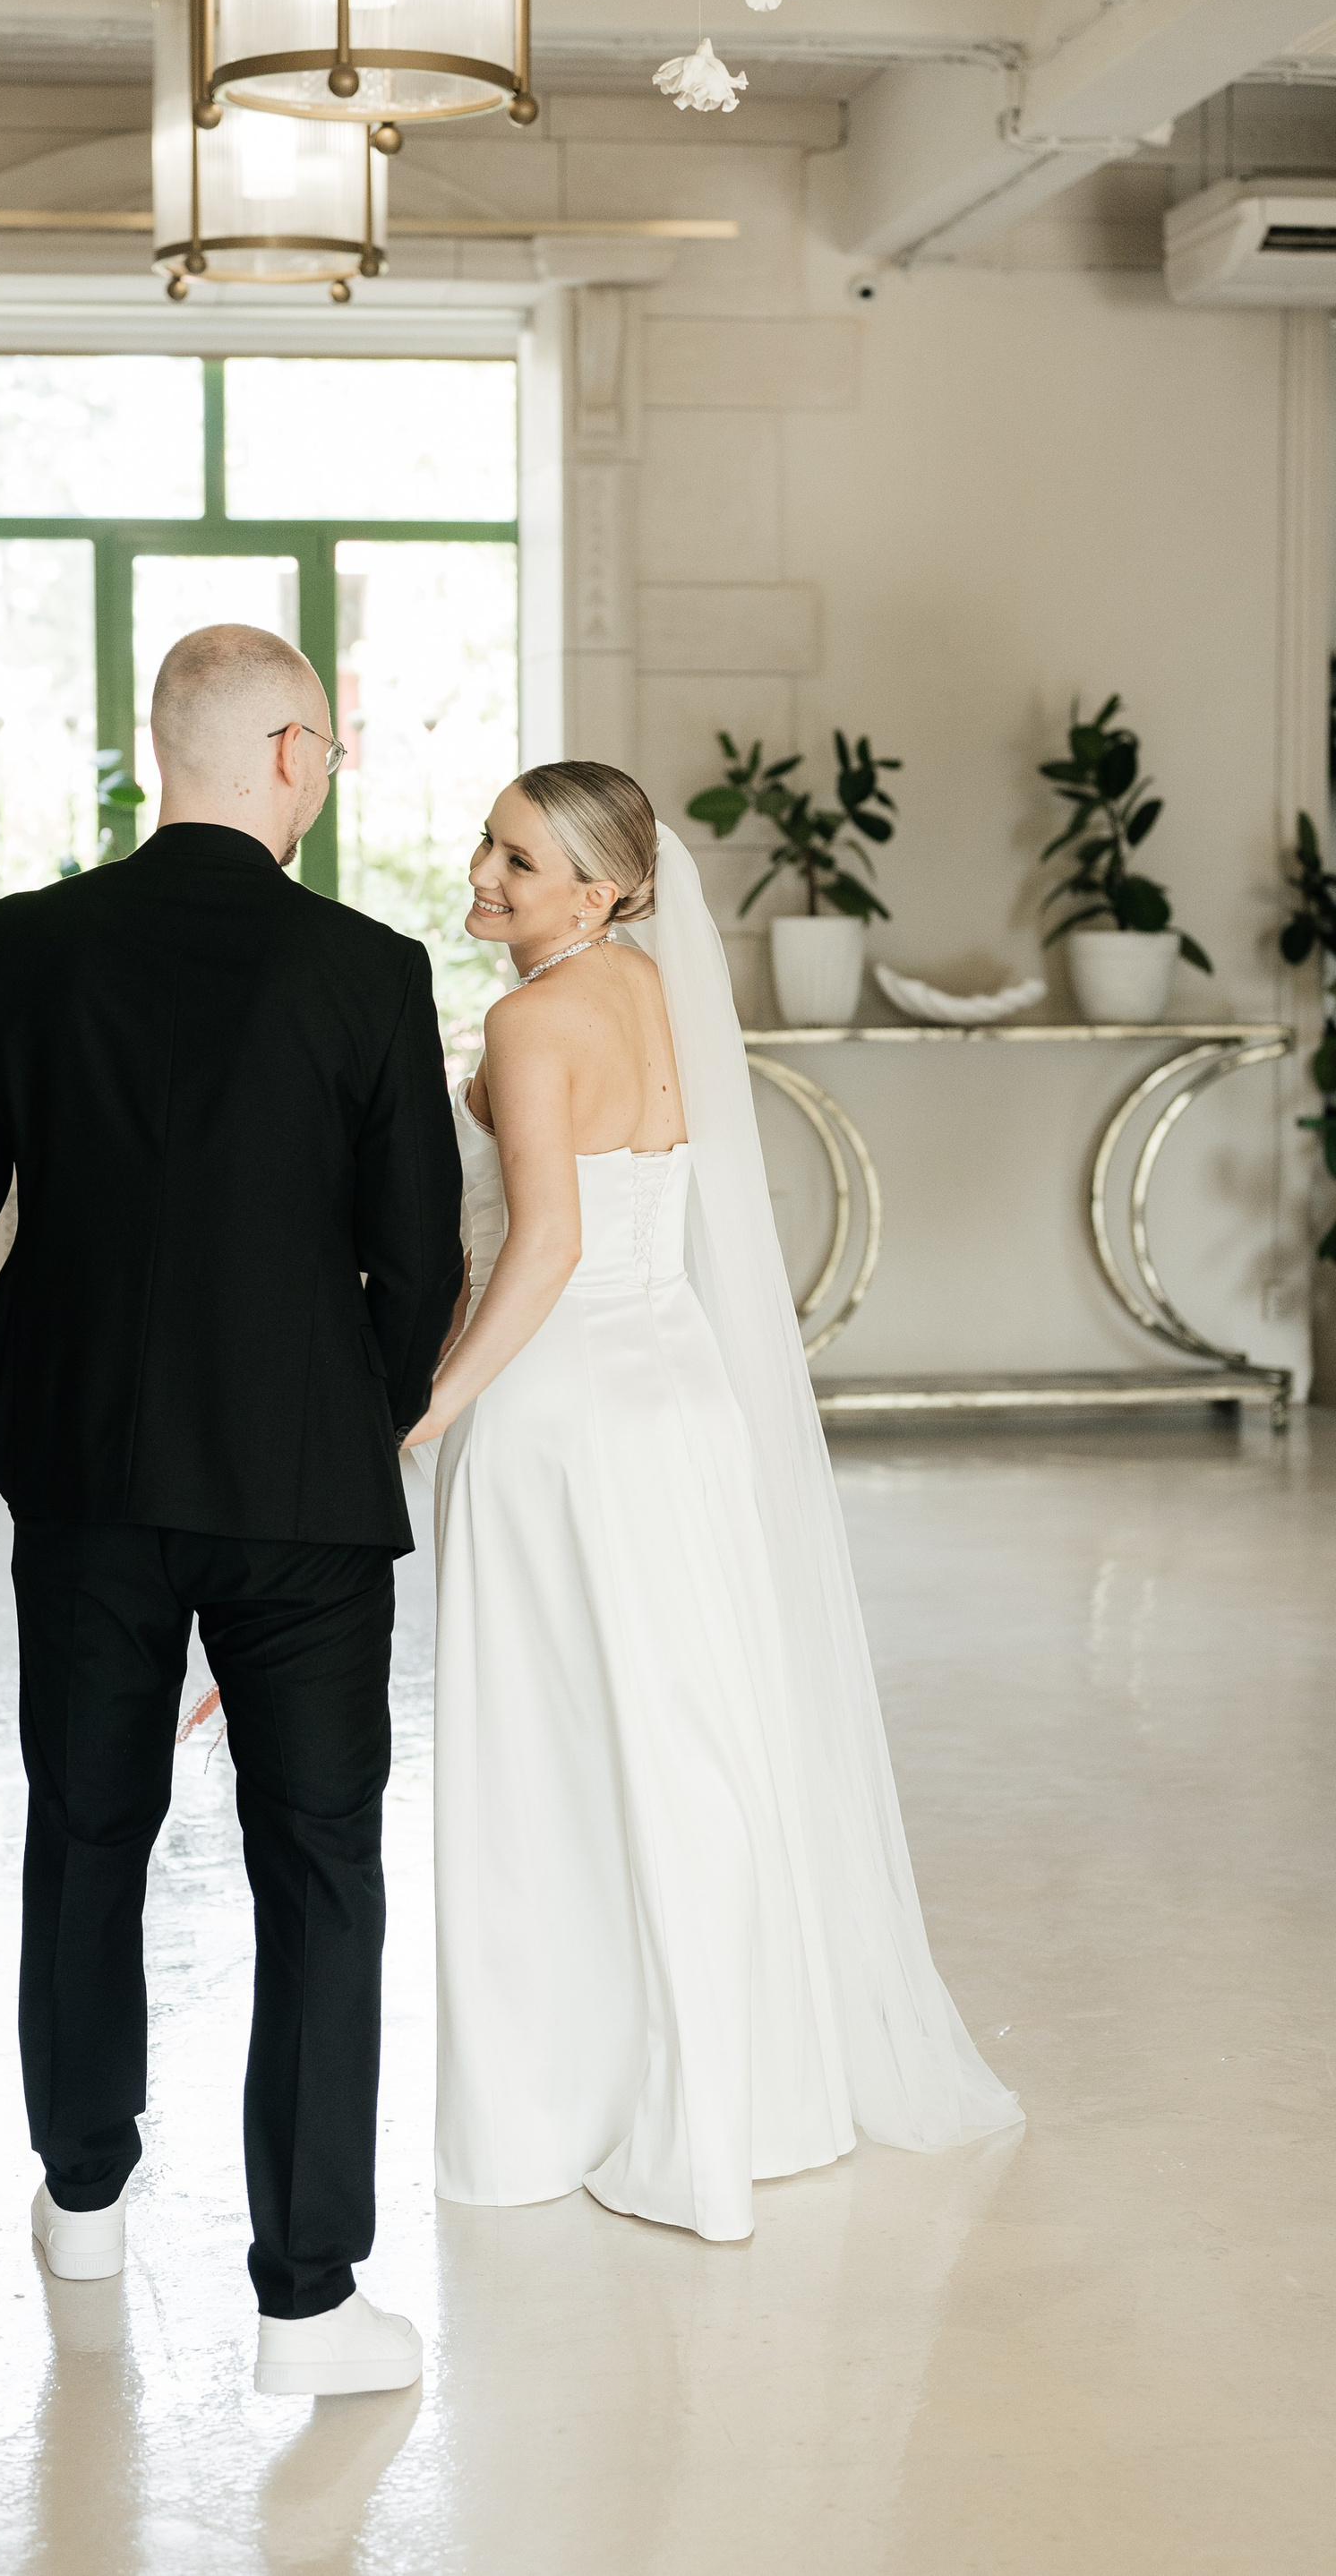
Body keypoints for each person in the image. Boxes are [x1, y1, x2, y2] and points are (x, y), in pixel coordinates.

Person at [0, 623, 464, 2393]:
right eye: (332, 746)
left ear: (170, 750)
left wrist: (8, 1427)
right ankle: (308, 2298)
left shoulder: (21, 943)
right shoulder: (369, 968)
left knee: (86, 1828)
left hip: (85, 1481)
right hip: (303, 1496)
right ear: (291, 754)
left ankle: (82, 2194)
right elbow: (422, 1257)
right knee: (321, 1868)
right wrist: (354, 1427)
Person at [405, 762, 1022, 2242]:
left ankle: (570, 2106)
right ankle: (745, 2097)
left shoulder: (530, 1020)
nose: (484, 872)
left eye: (521, 861)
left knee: (557, 1750)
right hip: (680, 1394)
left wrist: (425, 1411)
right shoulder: (661, 994)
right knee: (691, 1735)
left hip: (558, 1411)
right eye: (490, 842)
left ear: (604, 890)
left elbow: (545, 1247)